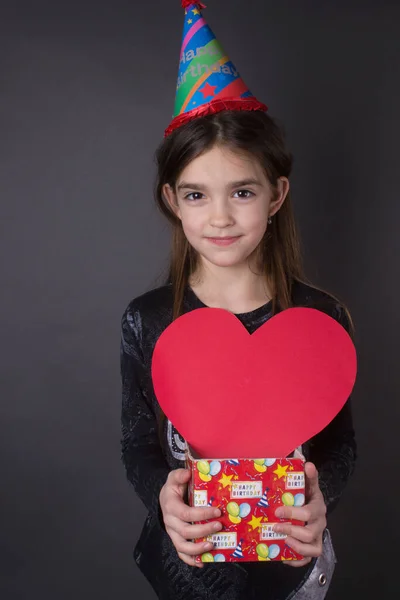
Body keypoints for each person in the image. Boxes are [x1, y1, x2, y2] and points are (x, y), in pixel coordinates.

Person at [120, 2, 356, 599]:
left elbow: (339, 444)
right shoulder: (147, 321)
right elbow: (139, 443)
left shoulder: (318, 320)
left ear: (276, 195)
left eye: (242, 191)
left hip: (290, 566)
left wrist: (317, 494)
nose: (220, 217)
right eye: (197, 194)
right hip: (190, 566)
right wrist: (162, 495)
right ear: (173, 200)